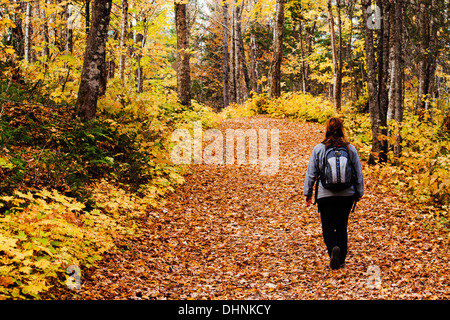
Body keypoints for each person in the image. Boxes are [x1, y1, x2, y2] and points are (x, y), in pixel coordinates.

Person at [303, 117, 364, 270]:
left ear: (327, 129)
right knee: (342, 226)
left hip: (325, 195)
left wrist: (307, 192)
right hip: (347, 194)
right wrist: (359, 191)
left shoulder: (319, 149)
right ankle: (341, 259)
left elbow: (312, 173)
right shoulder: (350, 149)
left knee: (328, 226)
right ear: (342, 129)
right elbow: (358, 172)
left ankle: (333, 249)